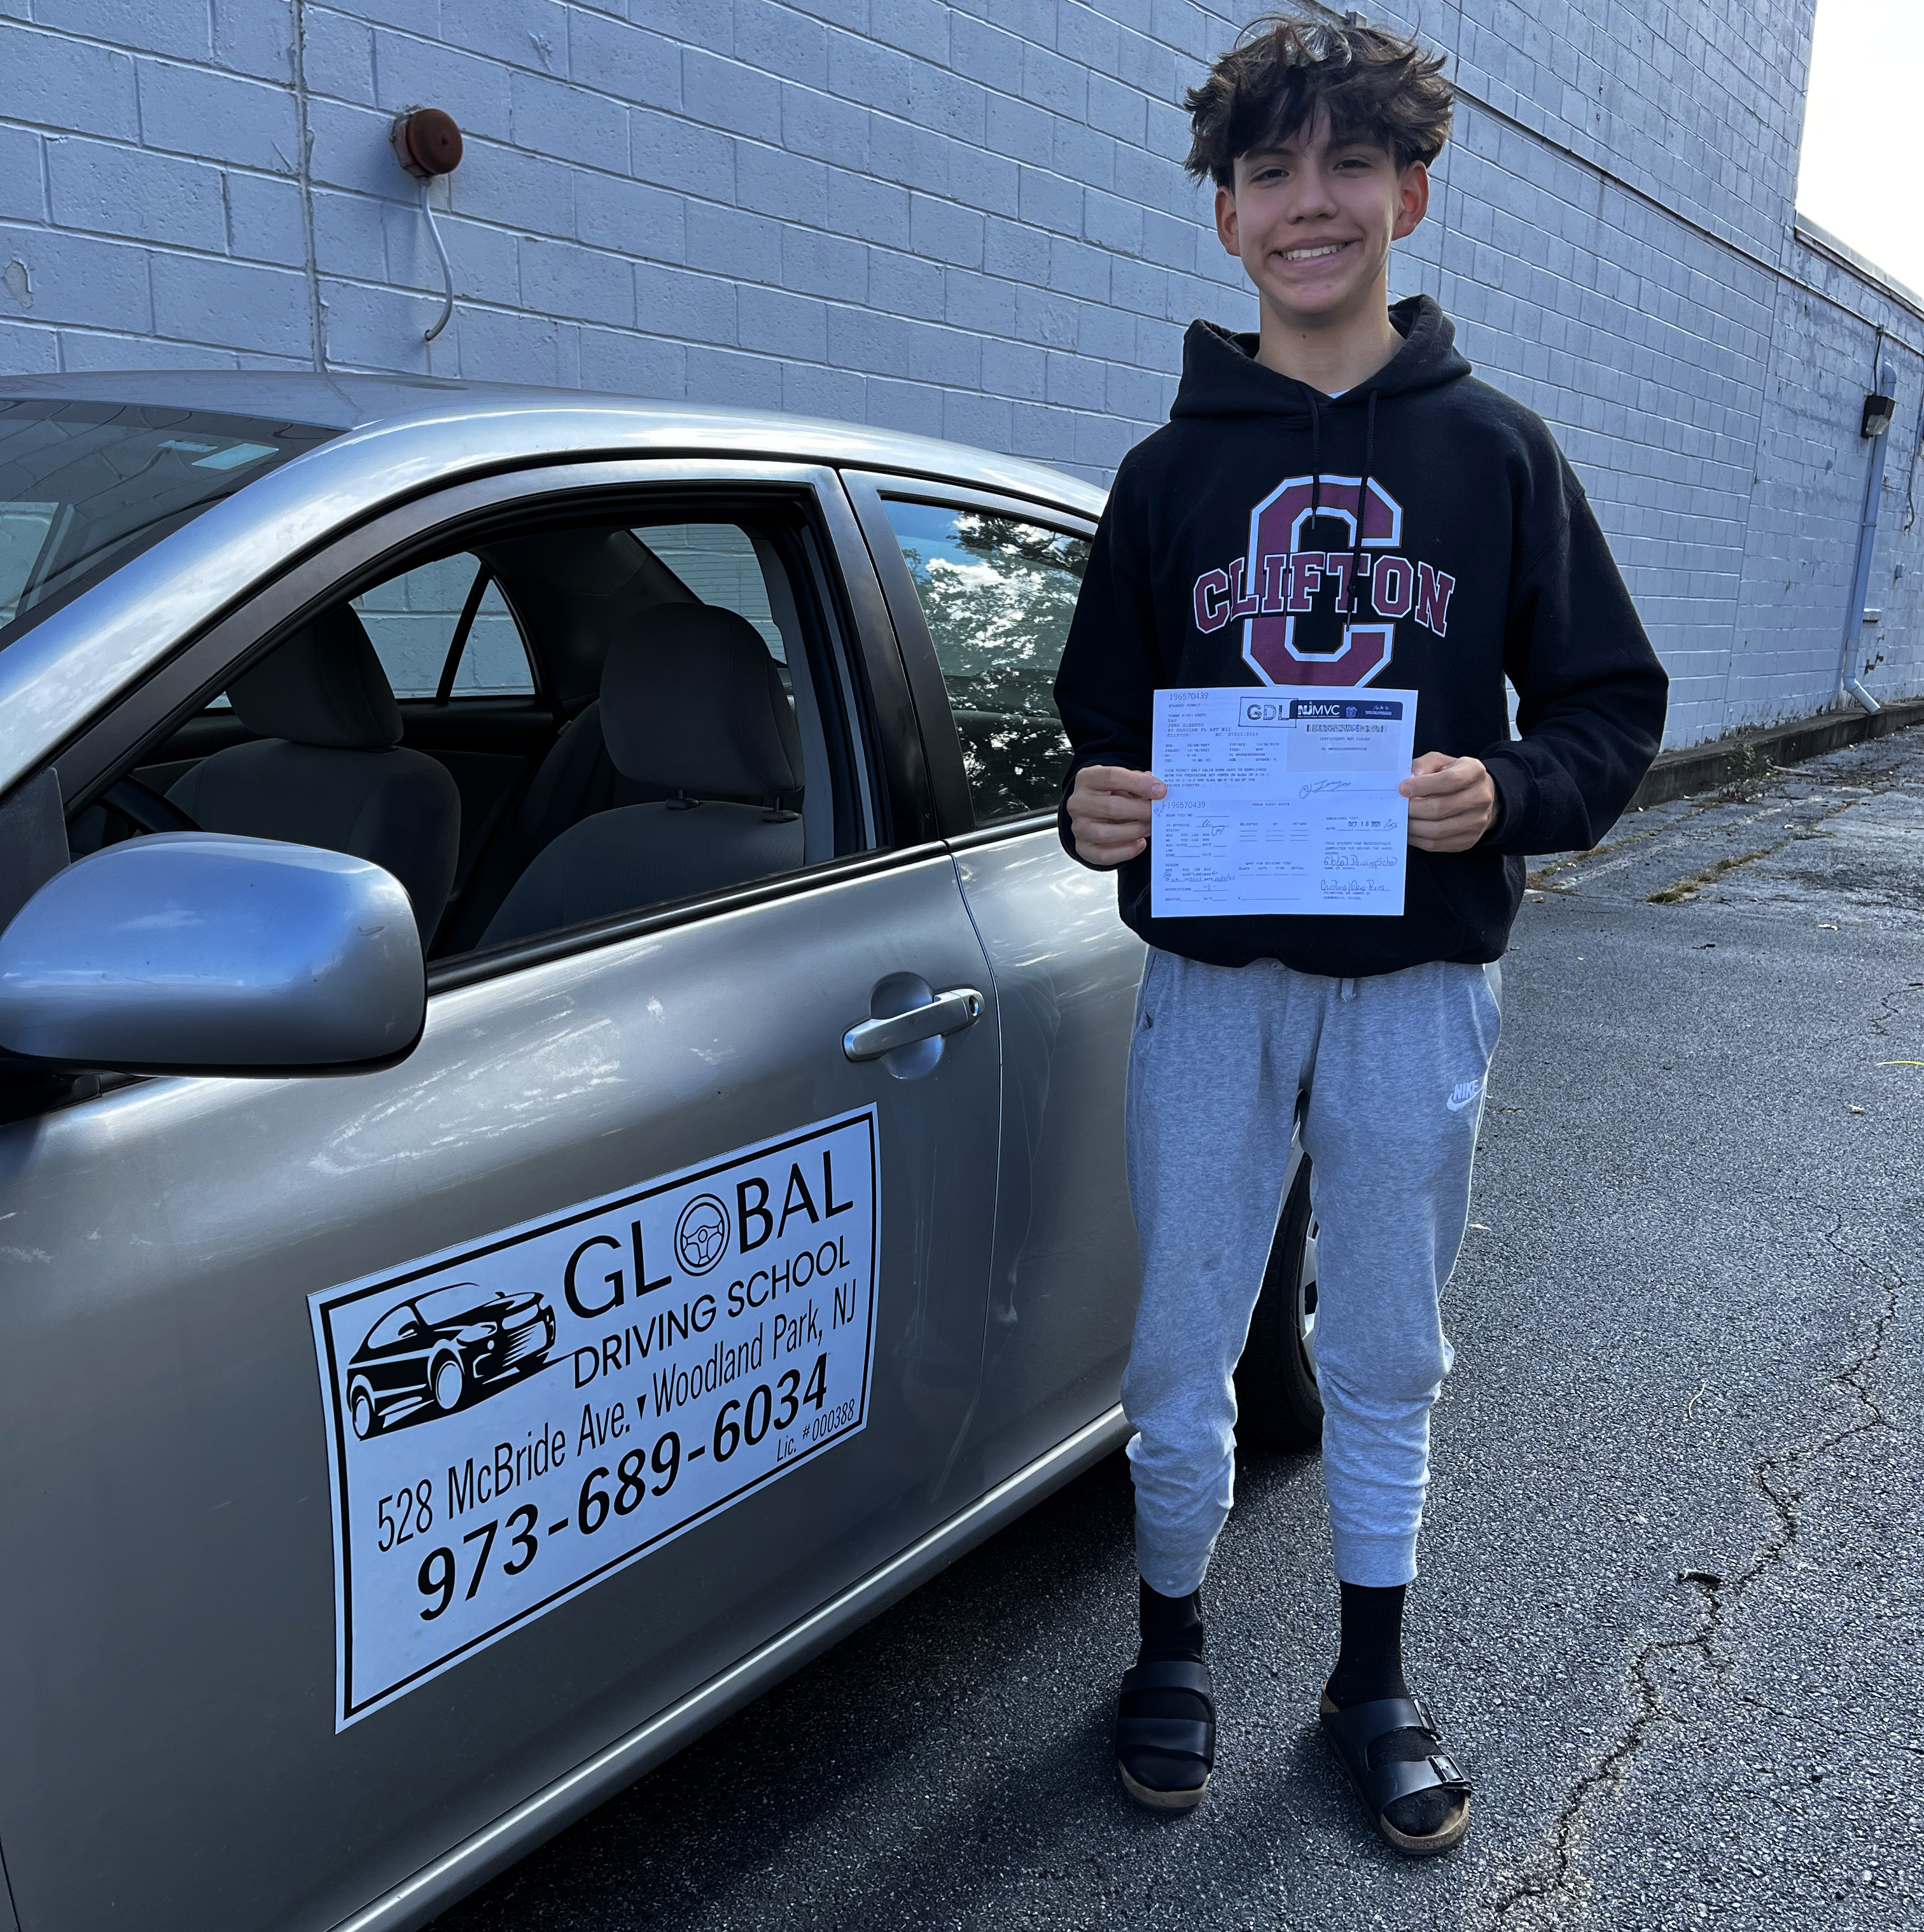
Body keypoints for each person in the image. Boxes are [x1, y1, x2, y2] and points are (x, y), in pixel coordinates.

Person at [1053, 13, 1668, 1855]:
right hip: (1214, 980)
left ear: (1409, 191)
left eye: (1343, 167)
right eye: (1266, 171)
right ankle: (1167, 1640)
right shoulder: (1169, 476)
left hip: (1416, 981)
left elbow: (1609, 704)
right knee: (1180, 1337)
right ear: (1224, 216)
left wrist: (1513, 794)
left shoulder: (1496, 453)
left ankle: (1369, 1675)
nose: (1306, 203)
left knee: (1388, 1341)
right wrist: (1090, 809)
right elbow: (1101, 734)